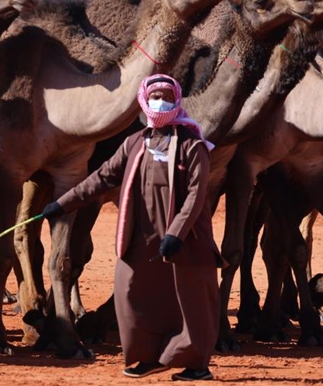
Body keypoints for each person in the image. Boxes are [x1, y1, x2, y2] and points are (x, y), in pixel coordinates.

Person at [42, 74, 221, 381]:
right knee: (131, 293)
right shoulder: (135, 143)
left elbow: (196, 195)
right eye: (155, 97)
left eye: (166, 96)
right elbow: (102, 178)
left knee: (191, 299)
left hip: (184, 238)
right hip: (140, 236)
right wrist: (63, 204)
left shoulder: (193, 146)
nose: (160, 102)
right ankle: (148, 357)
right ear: (143, 100)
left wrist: (176, 234)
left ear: (177, 100)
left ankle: (195, 364)